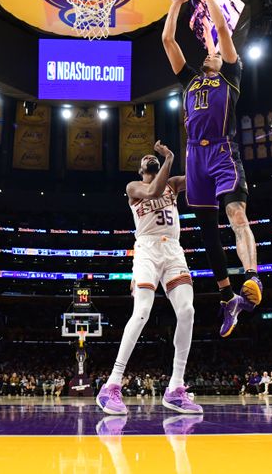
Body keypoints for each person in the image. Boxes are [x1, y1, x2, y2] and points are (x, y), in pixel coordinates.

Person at [161, 0, 262, 338]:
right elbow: (168, 40)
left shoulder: (231, 76)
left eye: (216, 52)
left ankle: (252, 279)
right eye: (210, 51)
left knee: (236, 213)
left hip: (222, 151)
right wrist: (177, 1)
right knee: (206, 234)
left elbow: (222, 29)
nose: (212, 53)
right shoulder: (190, 80)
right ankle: (227, 298)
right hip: (193, 156)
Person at [96, 142, 201, 415]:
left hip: (173, 250)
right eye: (144, 159)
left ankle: (176, 388)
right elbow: (153, 190)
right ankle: (112, 384)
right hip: (147, 250)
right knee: (142, 311)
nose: (147, 158)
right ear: (140, 169)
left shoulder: (174, 184)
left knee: (187, 311)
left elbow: (198, 176)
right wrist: (169, 156)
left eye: (150, 156)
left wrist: (199, 145)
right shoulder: (134, 188)